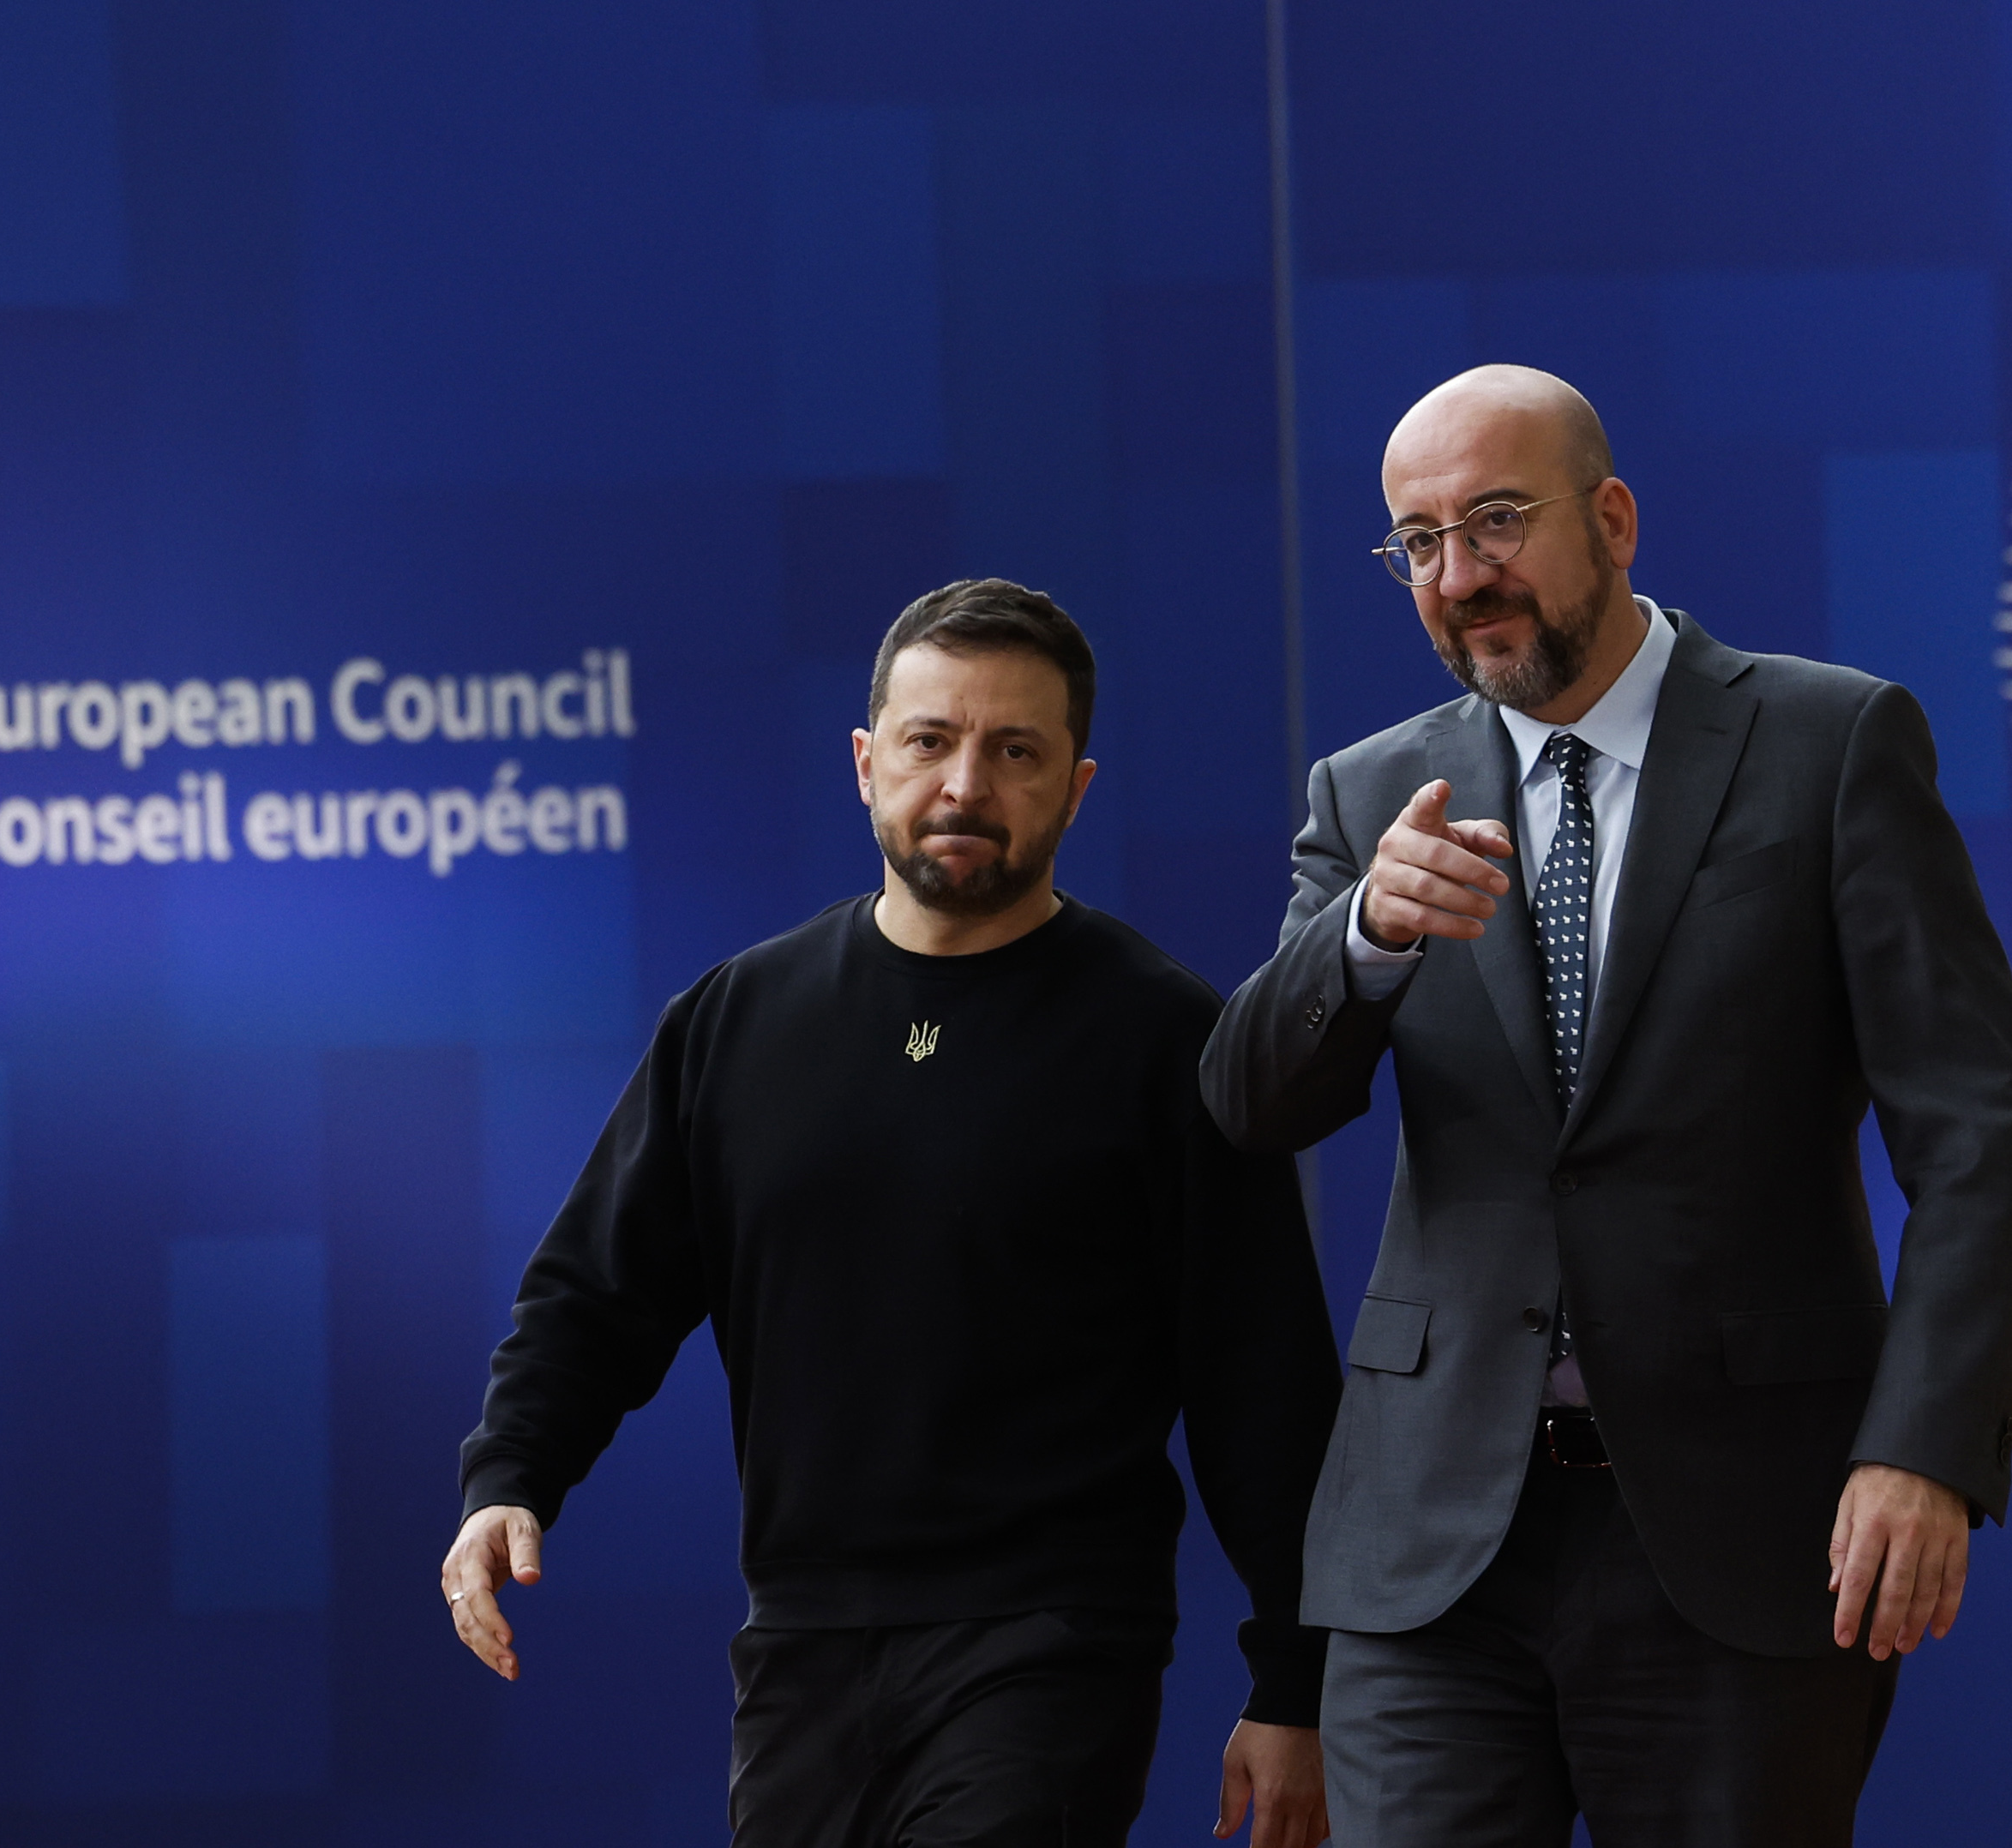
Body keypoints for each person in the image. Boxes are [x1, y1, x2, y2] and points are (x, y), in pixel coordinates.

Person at [1200, 365, 2012, 1845]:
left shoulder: (1831, 743)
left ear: (1613, 517)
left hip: (1743, 1529)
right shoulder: (1372, 795)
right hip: (1431, 1551)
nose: (1459, 578)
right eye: (1418, 541)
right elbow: (1250, 1102)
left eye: (1498, 522)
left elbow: (1980, 1134)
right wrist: (1365, 941)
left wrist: (1922, 1446)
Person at [442, 579, 1343, 1847]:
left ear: (1077, 789)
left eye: (1014, 751)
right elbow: (599, 1289)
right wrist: (511, 1476)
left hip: (1053, 1639)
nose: (965, 785)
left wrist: (1295, 1680)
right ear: (868, 766)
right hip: (802, 1641)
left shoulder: (1167, 1040)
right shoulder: (736, 1022)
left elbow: (1267, 1386)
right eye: (930, 742)